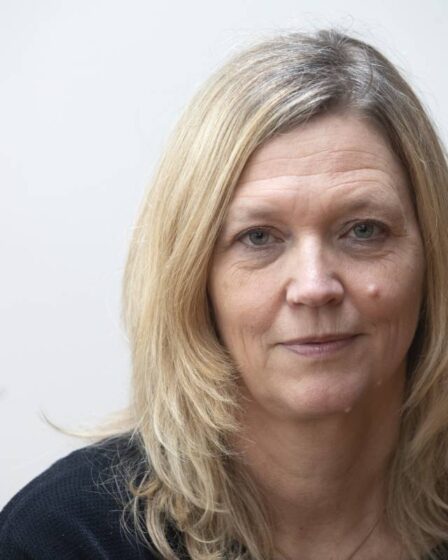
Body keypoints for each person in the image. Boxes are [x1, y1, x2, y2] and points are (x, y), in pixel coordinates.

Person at [1, 27, 448, 560]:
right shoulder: (66, 539)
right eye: (258, 237)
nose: (314, 287)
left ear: (432, 254)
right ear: (194, 278)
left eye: (364, 230)